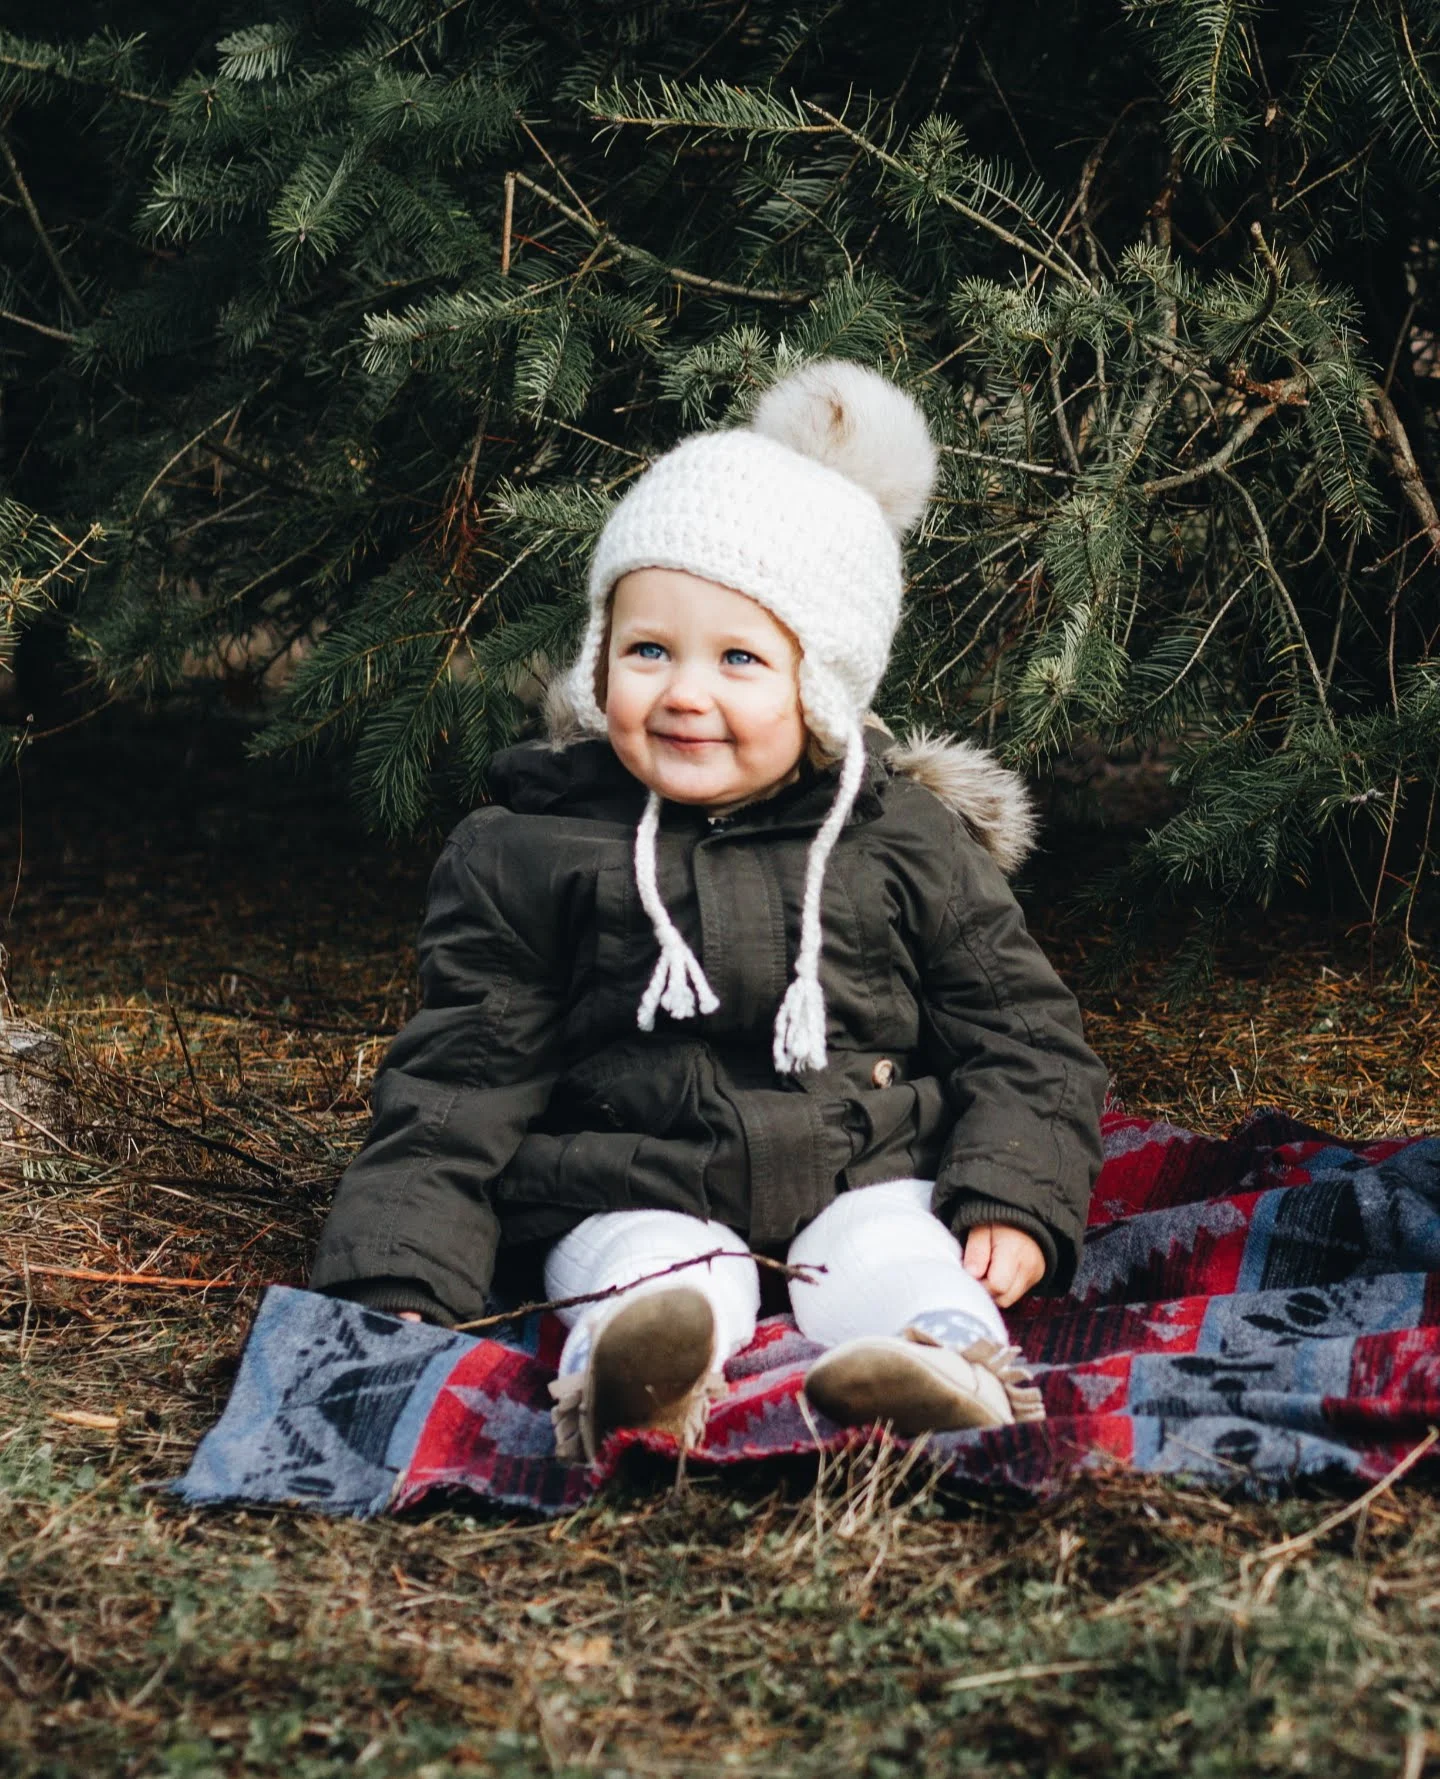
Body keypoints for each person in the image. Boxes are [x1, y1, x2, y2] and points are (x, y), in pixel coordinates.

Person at [309, 360, 1108, 1463]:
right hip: (627, 1182)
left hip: (862, 1170)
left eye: (738, 658)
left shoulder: (898, 840)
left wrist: (1015, 1194)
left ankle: (939, 1359)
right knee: (659, 1272)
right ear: (600, 661)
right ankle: (636, 1372)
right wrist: (396, 1271)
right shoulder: (533, 850)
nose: (685, 691)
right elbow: (460, 1080)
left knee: (896, 1251)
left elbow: (1023, 1035)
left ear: (820, 683)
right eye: (648, 651)